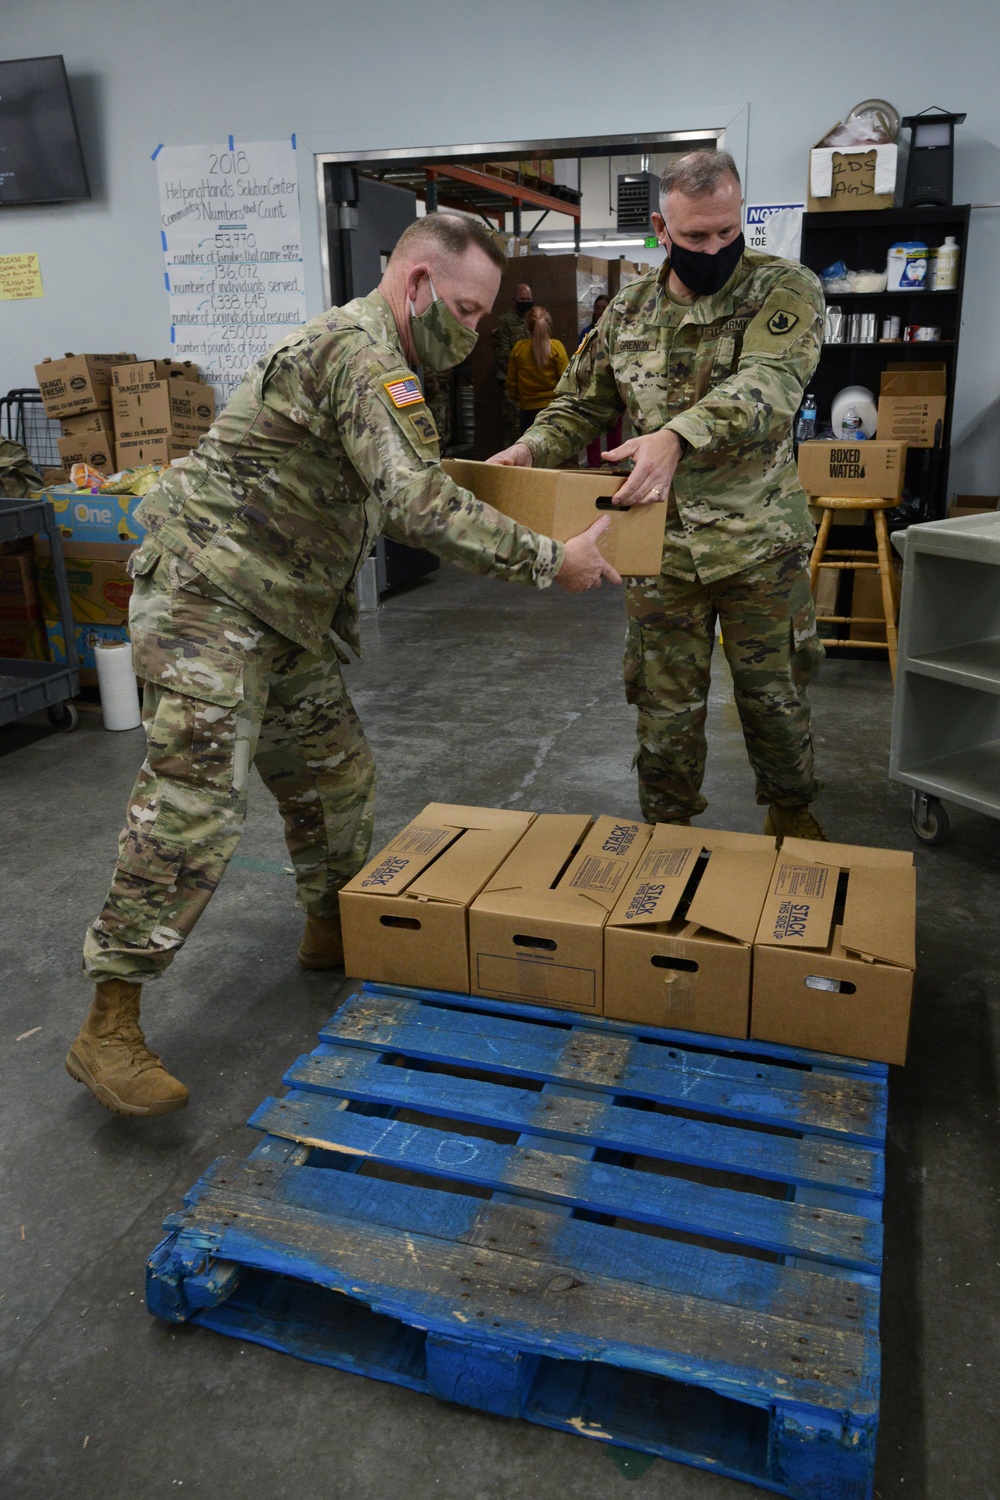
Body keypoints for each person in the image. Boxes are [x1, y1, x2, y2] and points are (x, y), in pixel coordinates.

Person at [66, 214, 620, 1118]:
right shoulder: (357, 355)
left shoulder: (384, 365)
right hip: (209, 592)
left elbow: (404, 489)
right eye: (470, 310)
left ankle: (334, 932)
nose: (477, 330)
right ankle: (109, 1023)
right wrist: (551, 560)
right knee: (195, 802)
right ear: (415, 286)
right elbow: (418, 504)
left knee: (334, 776)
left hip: (281, 605)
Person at [489, 150, 827, 841]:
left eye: (727, 233)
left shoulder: (784, 289)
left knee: (775, 699)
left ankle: (791, 816)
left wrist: (677, 435)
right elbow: (579, 405)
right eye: (696, 237)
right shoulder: (629, 311)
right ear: (660, 228)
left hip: (759, 544)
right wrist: (530, 448)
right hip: (659, 548)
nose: (715, 249)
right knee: (663, 707)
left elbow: (768, 387)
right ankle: (666, 833)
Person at [504, 307, 569, 433]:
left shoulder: (519, 348)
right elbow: (566, 380)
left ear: (528, 326)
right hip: (553, 410)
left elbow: (511, 382)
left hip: (527, 411)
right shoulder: (557, 347)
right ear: (548, 324)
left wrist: (518, 399)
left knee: (530, 451)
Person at [577, 295, 622, 469]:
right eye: (597, 307)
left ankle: (614, 463)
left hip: (613, 387)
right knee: (591, 427)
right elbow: (579, 360)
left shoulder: (618, 332)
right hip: (591, 387)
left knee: (614, 427)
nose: (600, 311)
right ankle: (593, 465)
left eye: (604, 307)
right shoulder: (586, 333)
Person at [492, 282, 532, 446]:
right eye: (523, 299)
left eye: (529, 299)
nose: (526, 302)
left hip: (532, 384)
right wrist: (522, 372)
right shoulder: (505, 322)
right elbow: (502, 355)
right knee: (514, 429)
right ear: (514, 301)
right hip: (513, 384)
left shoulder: (533, 320)